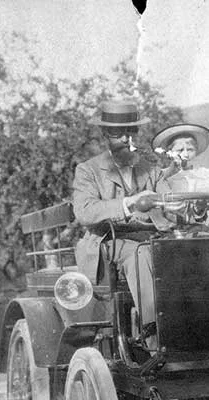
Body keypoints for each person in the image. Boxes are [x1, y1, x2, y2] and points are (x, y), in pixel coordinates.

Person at [72, 100, 168, 347]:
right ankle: (154, 336)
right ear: (105, 134)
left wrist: (182, 207)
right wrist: (129, 203)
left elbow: (168, 199)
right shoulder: (88, 170)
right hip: (108, 240)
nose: (126, 138)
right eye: (118, 133)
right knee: (139, 253)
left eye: (131, 131)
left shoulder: (150, 167)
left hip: (149, 236)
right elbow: (84, 211)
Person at [151, 123, 209, 235]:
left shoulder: (204, 174)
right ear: (169, 152)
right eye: (180, 150)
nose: (185, 154)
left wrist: (207, 198)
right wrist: (172, 169)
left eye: (190, 150)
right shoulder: (162, 175)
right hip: (173, 225)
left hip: (204, 223)